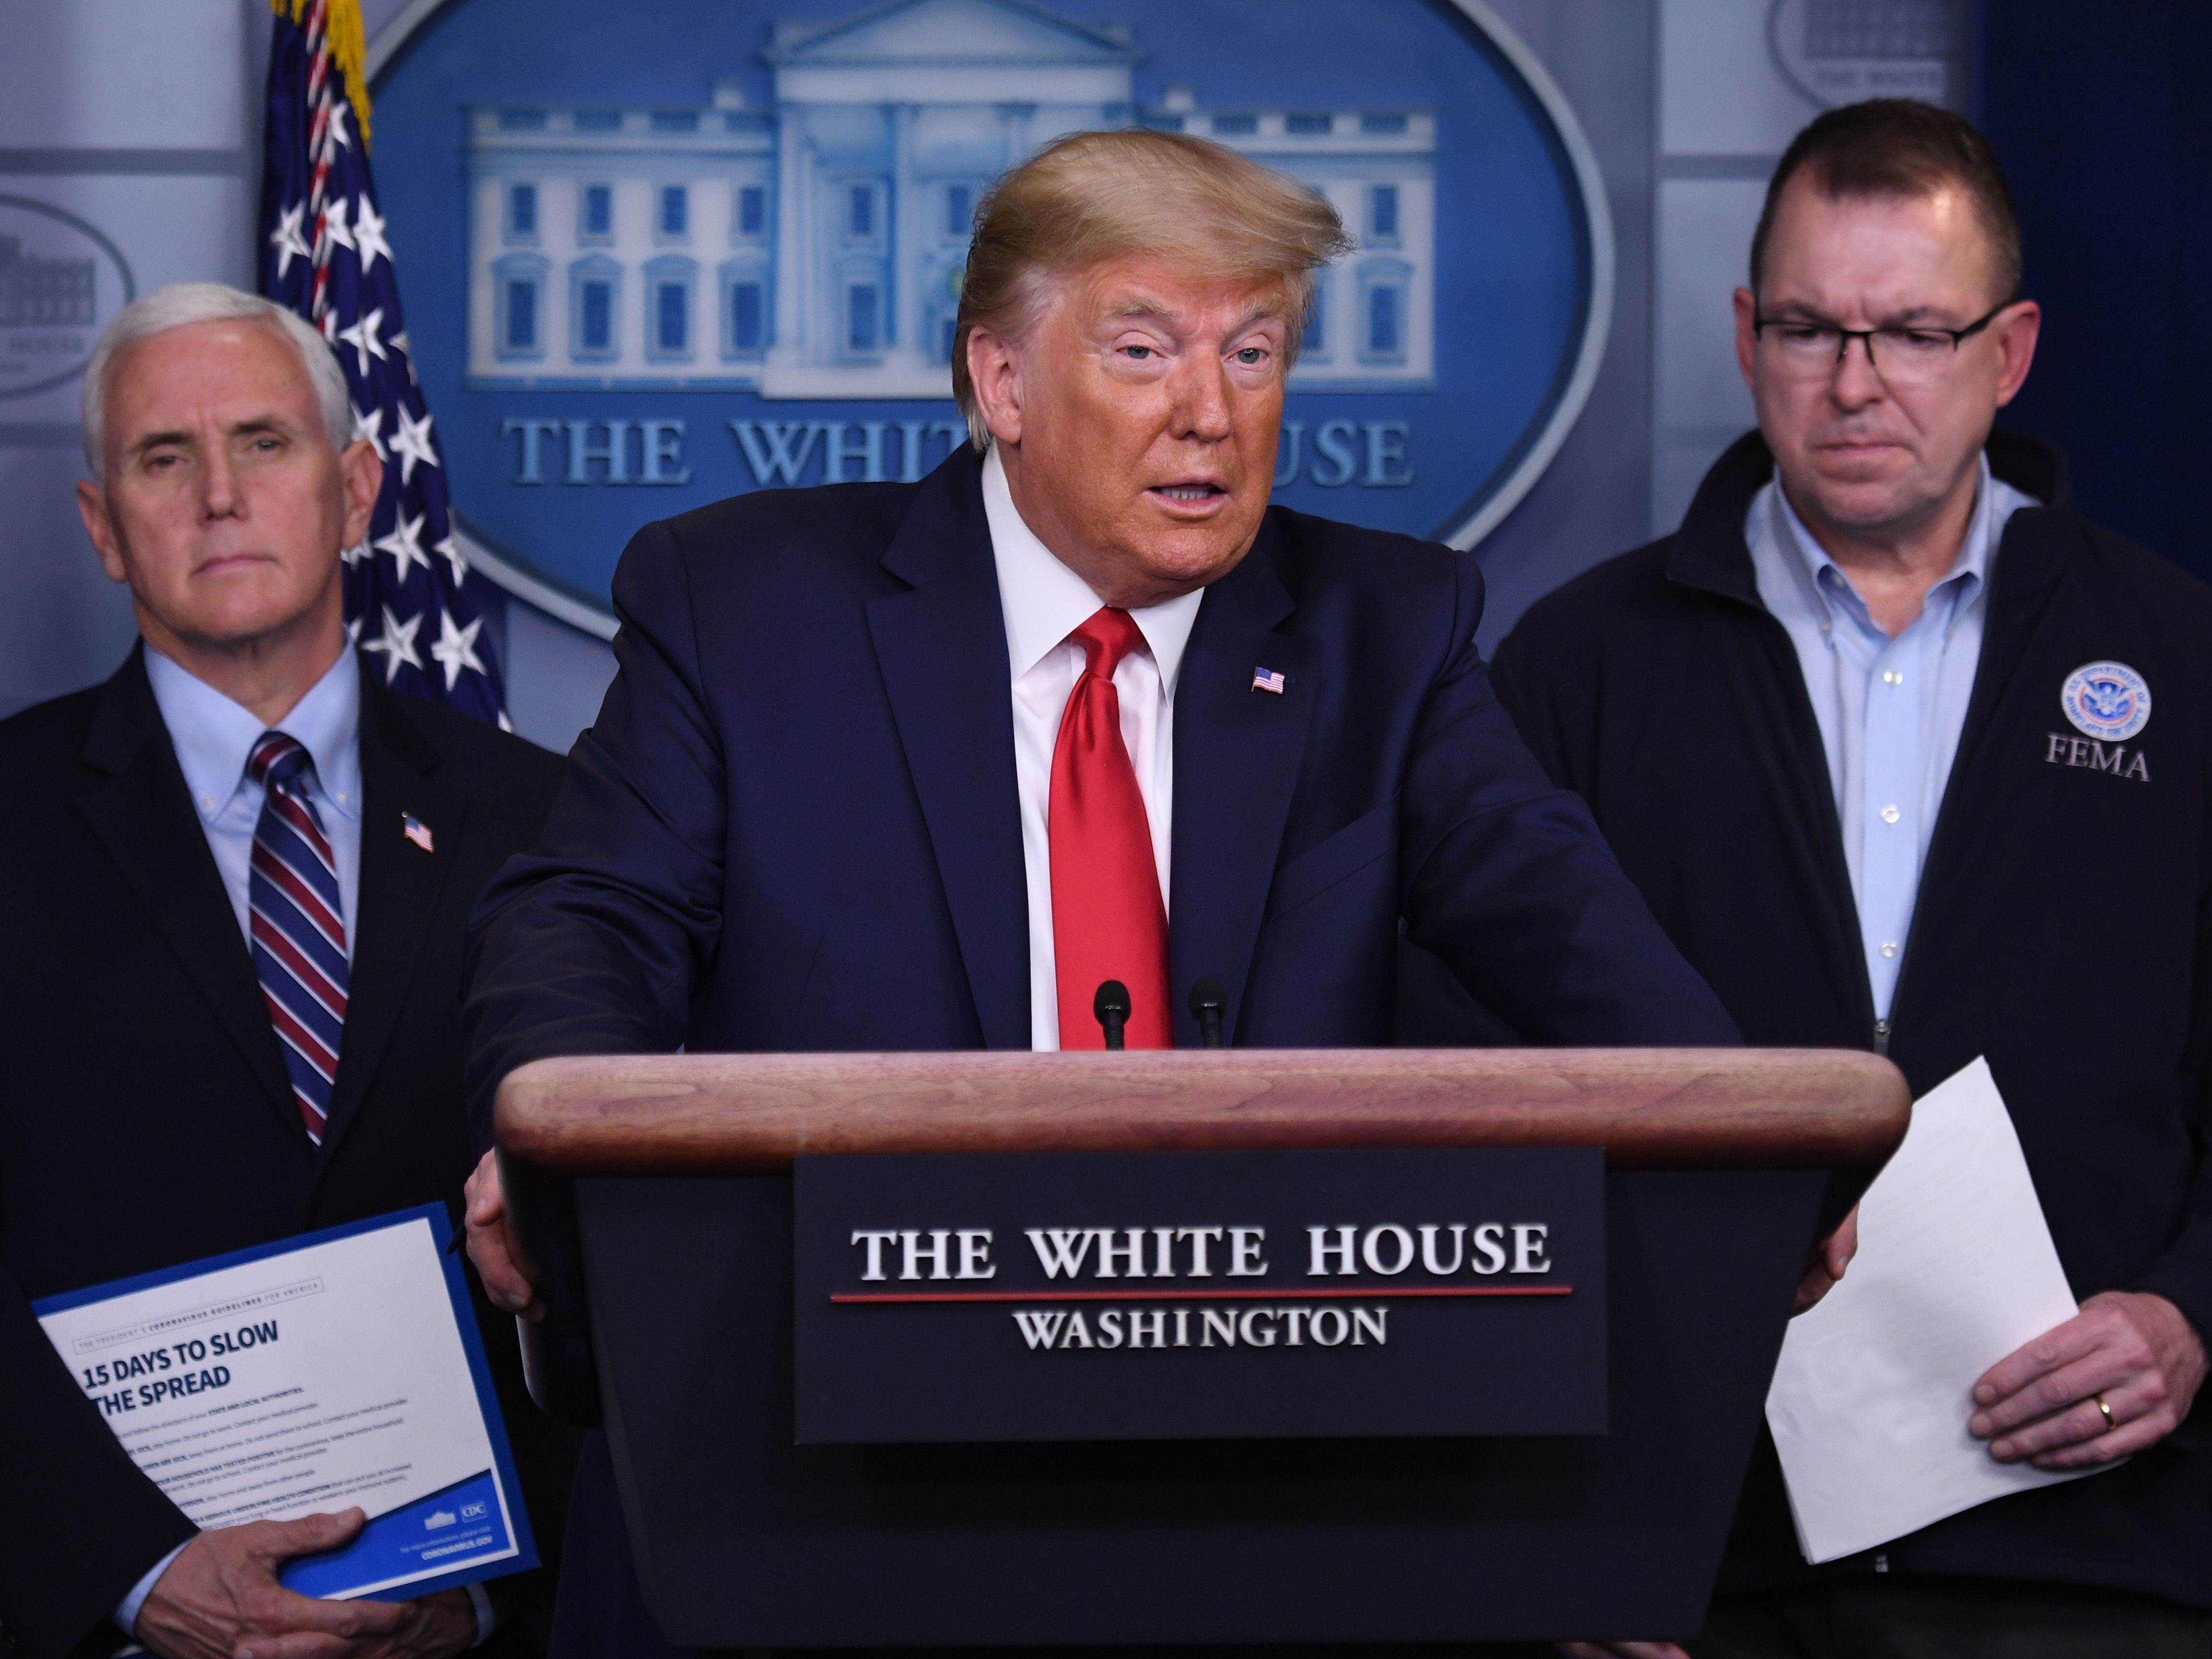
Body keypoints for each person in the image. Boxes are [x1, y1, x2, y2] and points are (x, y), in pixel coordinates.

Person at [456, 128, 1746, 1653]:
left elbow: (1558, 913)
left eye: (1253, 351)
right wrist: (549, 1134)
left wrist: (1740, 1131)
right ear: (1001, 381)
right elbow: (589, 914)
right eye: (1144, 348)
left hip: (1248, 1496)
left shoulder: (1384, 631)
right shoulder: (744, 603)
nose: (1211, 411)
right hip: (821, 1462)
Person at [1479, 102, 2211, 1656]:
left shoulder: (2178, 656)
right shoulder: (1576, 665)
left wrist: (2192, 1308)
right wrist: (1566, 1520)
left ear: (2007, 354)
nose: (1855, 382)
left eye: (1912, 332)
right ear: (1746, 334)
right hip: (1699, 1553)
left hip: (2092, 1543)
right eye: (1810, 326)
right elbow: (1473, 1093)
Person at [0, 284, 573, 1659]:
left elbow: (625, 1254)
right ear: (101, 527)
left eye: (263, 442)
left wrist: (478, 1585)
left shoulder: (556, 817)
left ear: (356, 487)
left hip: (476, 1627)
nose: (216, 496)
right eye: (162, 457)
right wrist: (133, 1572)